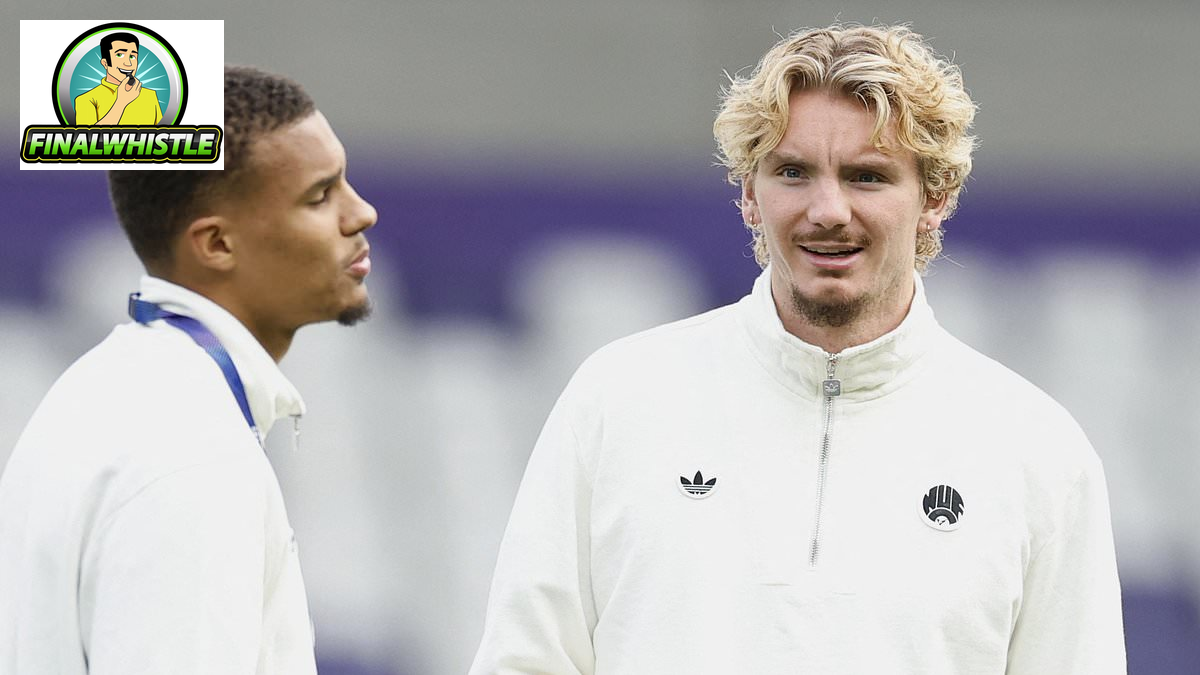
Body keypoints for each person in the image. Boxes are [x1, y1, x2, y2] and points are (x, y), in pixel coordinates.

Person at [470, 24, 1125, 674]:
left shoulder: (1037, 451)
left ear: (934, 198)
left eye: (867, 176)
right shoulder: (619, 401)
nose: (828, 209)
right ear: (749, 194)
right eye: (793, 172)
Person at [0, 65, 377, 673]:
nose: (362, 213)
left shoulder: (108, 393)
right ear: (217, 244)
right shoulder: (192, 448)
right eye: (320, 196)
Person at [74, 31, 163, 126]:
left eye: (132, 56)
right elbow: (88, 135)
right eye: (120, 55)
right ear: (105, 63)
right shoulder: (86, 100)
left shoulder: (150, 96)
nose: (128, 63)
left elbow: (164, 131)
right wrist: (121, 102)